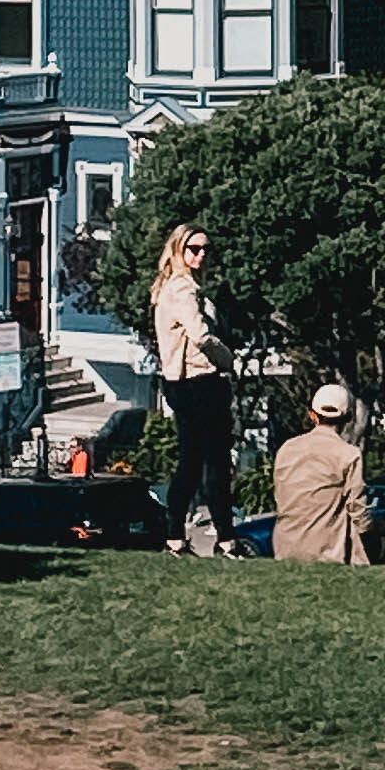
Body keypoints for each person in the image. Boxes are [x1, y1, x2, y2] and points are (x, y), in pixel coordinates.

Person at [149, 224, 235, 553]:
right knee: (212, 463)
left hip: (182, 384)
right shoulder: (183, 289)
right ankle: (224, 539)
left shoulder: (172, 288)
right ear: (178, 251)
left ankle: (177, 536)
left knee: (193, 461)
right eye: (193, 249)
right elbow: (200, 335)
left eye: (205, 249)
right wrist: (228, 359)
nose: (201, 256)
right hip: (199, 382)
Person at [271, 382, 371, 565]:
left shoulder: (287, 449)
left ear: (312, 416)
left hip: (285, 547)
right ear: (348, 418)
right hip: (328, 551)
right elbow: (358, 510)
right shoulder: (349, 454)